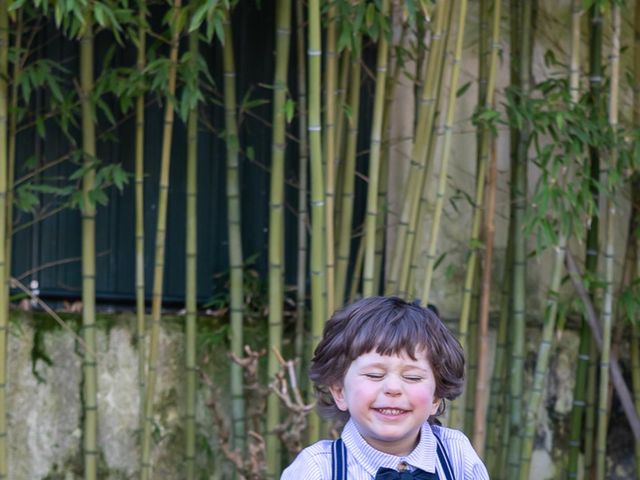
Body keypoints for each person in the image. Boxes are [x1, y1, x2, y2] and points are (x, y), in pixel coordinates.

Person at [281, 296, 489, 479]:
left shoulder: (456, 455)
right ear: (339, 391)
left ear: (436, 397)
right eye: (374, 375)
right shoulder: (317, 469)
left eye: (412, 377)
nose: (392, 388)